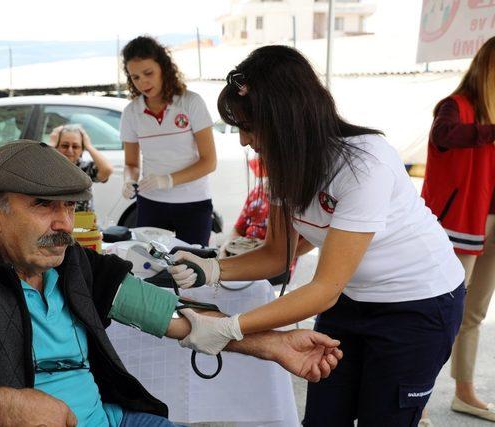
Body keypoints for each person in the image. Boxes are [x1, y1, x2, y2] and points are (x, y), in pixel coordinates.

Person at [0, 140, 343, 426]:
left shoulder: (75, 265)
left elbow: (176, 318)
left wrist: (272, 345)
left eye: (70, 206)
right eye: (43, 206)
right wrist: (2, 404)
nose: (64, 223)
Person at [167, 45, 466, 426]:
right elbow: (277, 255)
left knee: (385, 419)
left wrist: (229, 328)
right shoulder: (282, 166)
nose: (243, 140)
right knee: (325, 417)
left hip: (418, 305)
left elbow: (323, 288)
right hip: (351, 300)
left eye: (247, 126)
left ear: (286, 118)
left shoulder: (364, 163)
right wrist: (211, 268)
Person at [420, 36, 495, 422]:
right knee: (441, 312)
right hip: (460, 222)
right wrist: (491, 130)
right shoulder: (455, 106)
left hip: (490, 223)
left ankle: (464, 391)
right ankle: (416, 397)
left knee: (474, 313)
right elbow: (443, 137)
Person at [120, 36, 217, 246]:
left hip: (194, 202)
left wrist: (168, 180)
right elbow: (131, 163)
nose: (142, 82)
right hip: (150, 202)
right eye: (135, 77)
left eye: (148, 73)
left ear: (163, 68)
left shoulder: (191, 102)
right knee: (149, 265)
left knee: (193, 267)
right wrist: (129, 180)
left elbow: (209, 161)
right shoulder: (131, 112)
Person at [50, 124, 114, 212]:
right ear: (56, 147)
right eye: (65, 146)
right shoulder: (48, 166)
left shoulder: (85, 168)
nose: (70, 150)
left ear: (82, 150)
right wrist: (51, 144)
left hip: (83, 222)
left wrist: (89, 146)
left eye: (75, 146)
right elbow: (34, 168)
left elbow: (107, 170)